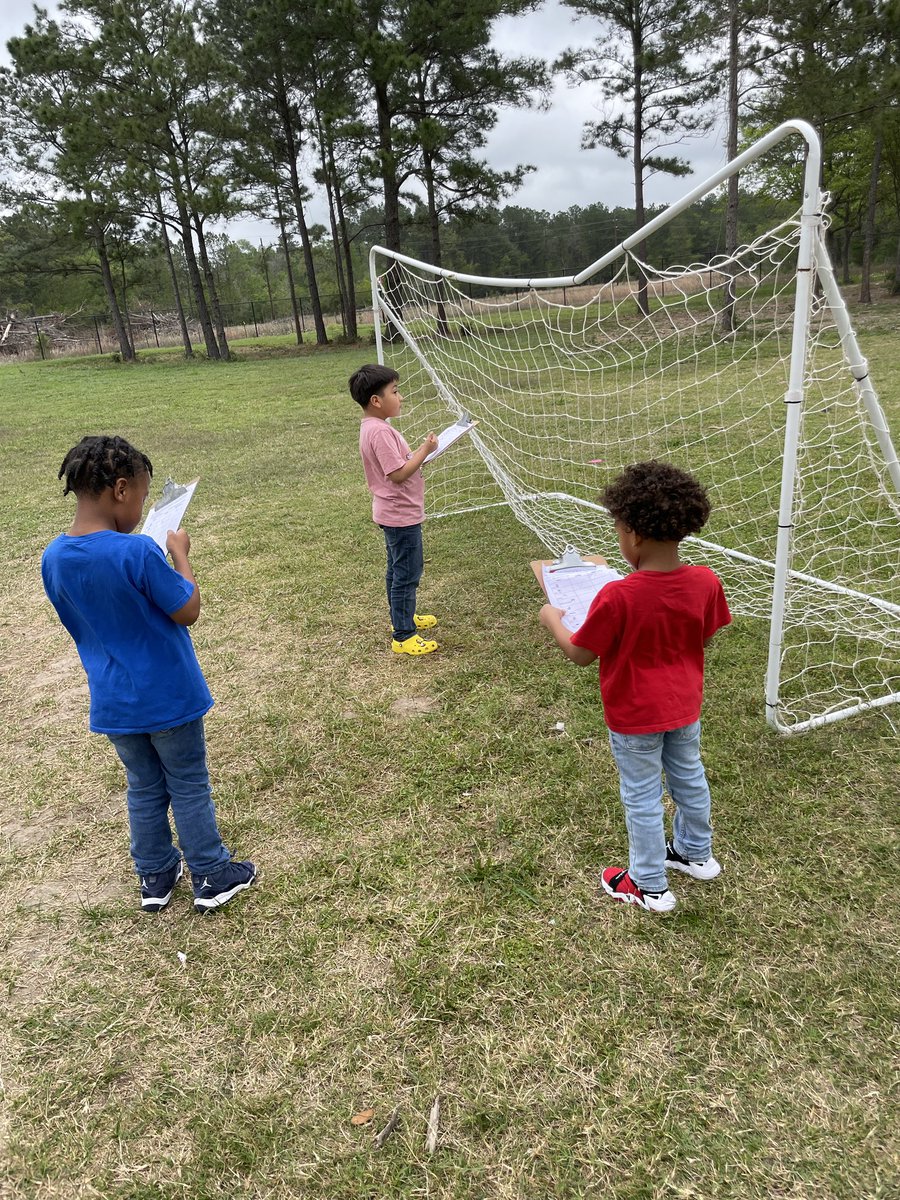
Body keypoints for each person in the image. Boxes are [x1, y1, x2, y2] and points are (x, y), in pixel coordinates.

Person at [41, 435, 256, 915]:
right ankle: (211, 872)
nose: (141, 506)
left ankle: (156, 876)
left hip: (114, 701)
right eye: (141, 495)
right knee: (187, 781)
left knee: (142, 785)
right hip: (169, 696)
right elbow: (187, 609)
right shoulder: (137, 552)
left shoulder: (52, 558)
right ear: (120, 489)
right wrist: (179, 554)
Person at [539, 460, 731, 914]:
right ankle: (695, 854)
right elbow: (702, 632)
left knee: (642, 795)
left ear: (635, 535)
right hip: (684, 707)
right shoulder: (705, 580)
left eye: (619, 530)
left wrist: (552, 620)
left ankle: (648, 884)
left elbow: (582, 653)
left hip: (634, 716)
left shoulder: (618, 595)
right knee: (689, 777)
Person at [349, 362, 440, 656]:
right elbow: (398, 474)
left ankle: (402, 616)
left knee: (397, 570)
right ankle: (403, 635)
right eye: (395, 391)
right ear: (376, 400)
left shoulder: (376, 427)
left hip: (394, 513)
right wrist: (425, 451)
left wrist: (419, 455)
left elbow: (400, 465)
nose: (400, 397)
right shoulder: (379, 432)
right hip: (400, 516)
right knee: (406, 573)